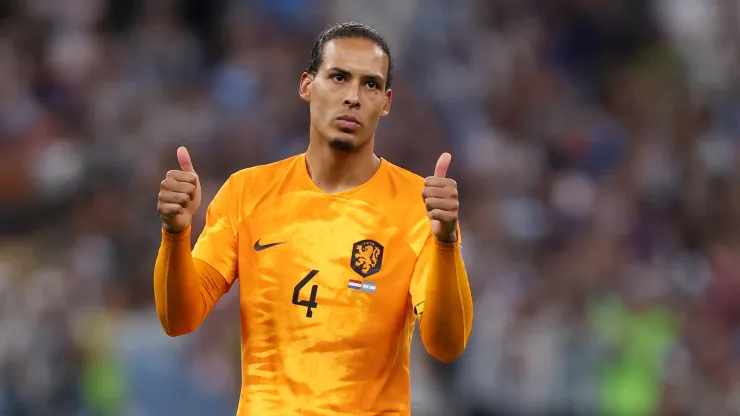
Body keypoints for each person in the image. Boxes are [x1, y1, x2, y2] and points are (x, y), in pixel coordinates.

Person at [154, 22, 473, 415]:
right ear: (307, 85)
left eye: (370, 85)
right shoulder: (247, 193)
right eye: (339, 77)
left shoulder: (416, 206)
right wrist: (175, 233)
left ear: (386, 103)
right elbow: (179, 318)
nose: (353, 97)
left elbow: (447, 345)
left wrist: (445, 244)